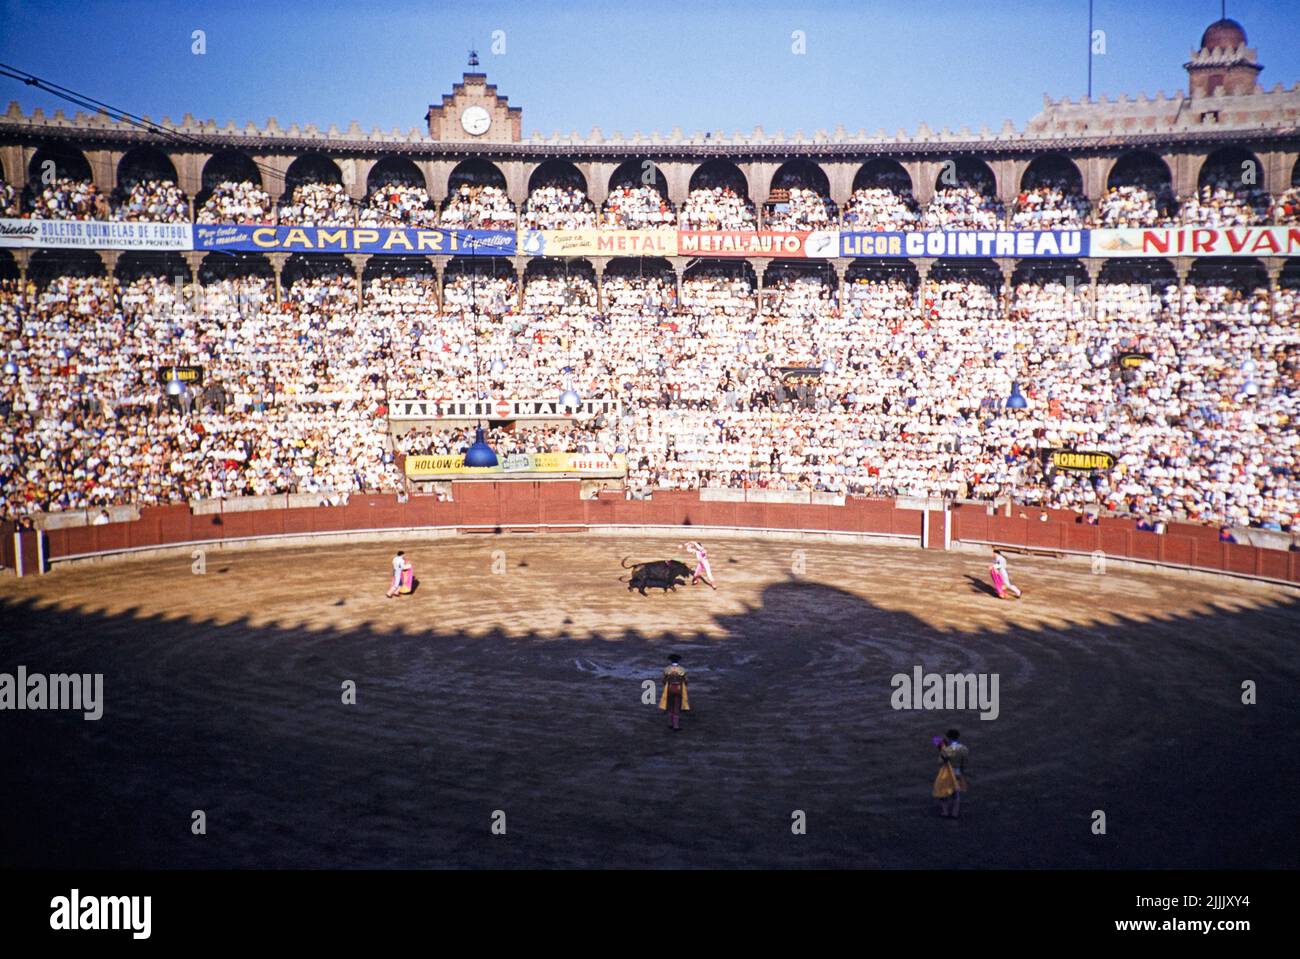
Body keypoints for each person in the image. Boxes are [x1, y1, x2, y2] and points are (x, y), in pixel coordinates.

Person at [932, 729, 970, 819]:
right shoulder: (964, 748)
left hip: (947, 773)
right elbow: (964, 762)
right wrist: (962, 772)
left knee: (942, 792)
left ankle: (945, 812)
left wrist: (941, 750)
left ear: (949, 738)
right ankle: (955, 813)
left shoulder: (947, 750)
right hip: (957, 771)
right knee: (956, 794)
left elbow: (940, 762)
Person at [658, 654, 689, 731]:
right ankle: (676, 725)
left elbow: (664, 681)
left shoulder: (667, 669)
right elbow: (686, 681)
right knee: (676, 707)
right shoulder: (682, 669)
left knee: (670, 706)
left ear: (670, 660)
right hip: (678, 689)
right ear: (678, 661)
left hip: (670, 689)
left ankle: (670, 723)